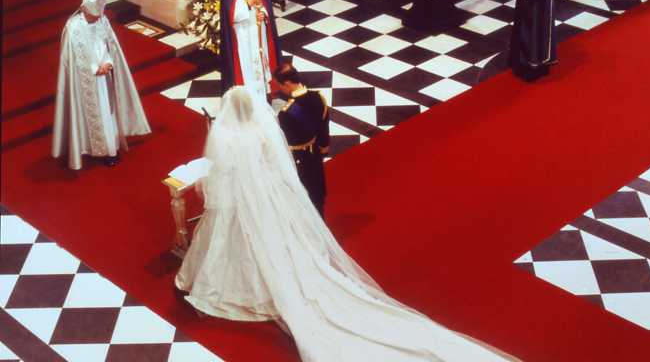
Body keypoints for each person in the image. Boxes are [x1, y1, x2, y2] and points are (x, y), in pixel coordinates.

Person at [175, 86, 517, 362]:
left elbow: (221, 172)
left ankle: (242, 283)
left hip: (242, 198)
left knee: (239, 240)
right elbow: (276, 164)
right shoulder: (261, 132)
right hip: (271, 195)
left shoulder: (227, 136)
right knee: (279, 241)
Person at [52, 0, 151, 169]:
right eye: (93, 16)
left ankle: (110, 148)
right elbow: (72, 57)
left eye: (98, 16)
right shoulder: (73, 28)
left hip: (104, 77)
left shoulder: (101, 20)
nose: (96, 19)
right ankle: (92, 148)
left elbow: (108, 45)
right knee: (92, 114)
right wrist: (94, 69)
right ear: (84, 9)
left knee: (107, 110)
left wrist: (108, 62)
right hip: (85, 80)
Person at [219, 0, 282, 98]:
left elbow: (265, 5)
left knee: (261, 60)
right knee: (247, 64)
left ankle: (263, 92)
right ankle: (249, 96)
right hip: (243, 33)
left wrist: (263, 14)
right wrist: (249, 4)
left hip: (257, 28)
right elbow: (231, 15)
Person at [273, 63, 330, 218]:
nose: (280, 89)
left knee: (304, 197)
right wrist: (323, 146)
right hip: (315, 153)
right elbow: (323, 125)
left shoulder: (286, 112)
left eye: (280, 85)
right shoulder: (318, 97)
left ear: (287, 83)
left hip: (298, 159)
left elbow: (284, 141)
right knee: (317, 193)